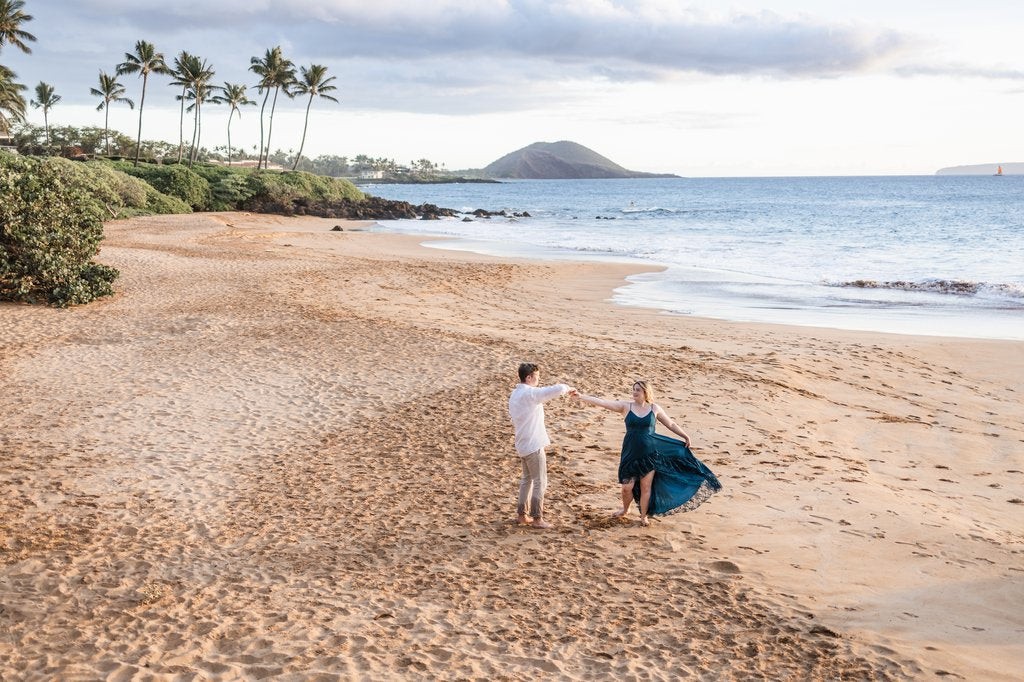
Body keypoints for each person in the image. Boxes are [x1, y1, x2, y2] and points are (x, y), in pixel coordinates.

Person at [573, 380, 721, 526]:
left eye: (638, 390)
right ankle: (626, 509)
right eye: (634, 389)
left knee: (645, 487)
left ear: (645, 392)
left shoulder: (654, 408)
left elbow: (671, 424)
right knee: (626, 488)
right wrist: (581, 396)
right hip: (630, 452)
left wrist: (685, 436)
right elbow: (603, 402)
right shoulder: (626, 406)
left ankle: (643, 516)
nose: (635, 392)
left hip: (649, 453)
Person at [508, 363, 574, 529]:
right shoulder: (529, 393)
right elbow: (554, 390)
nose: (538, 380)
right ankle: (537, 518)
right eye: (536, 377)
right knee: (540, 481)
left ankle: (522, 515)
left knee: (527, 480)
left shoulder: (515, 394)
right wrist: (568, 388)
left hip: (522, 443)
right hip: (533, 444)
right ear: (528, 377)